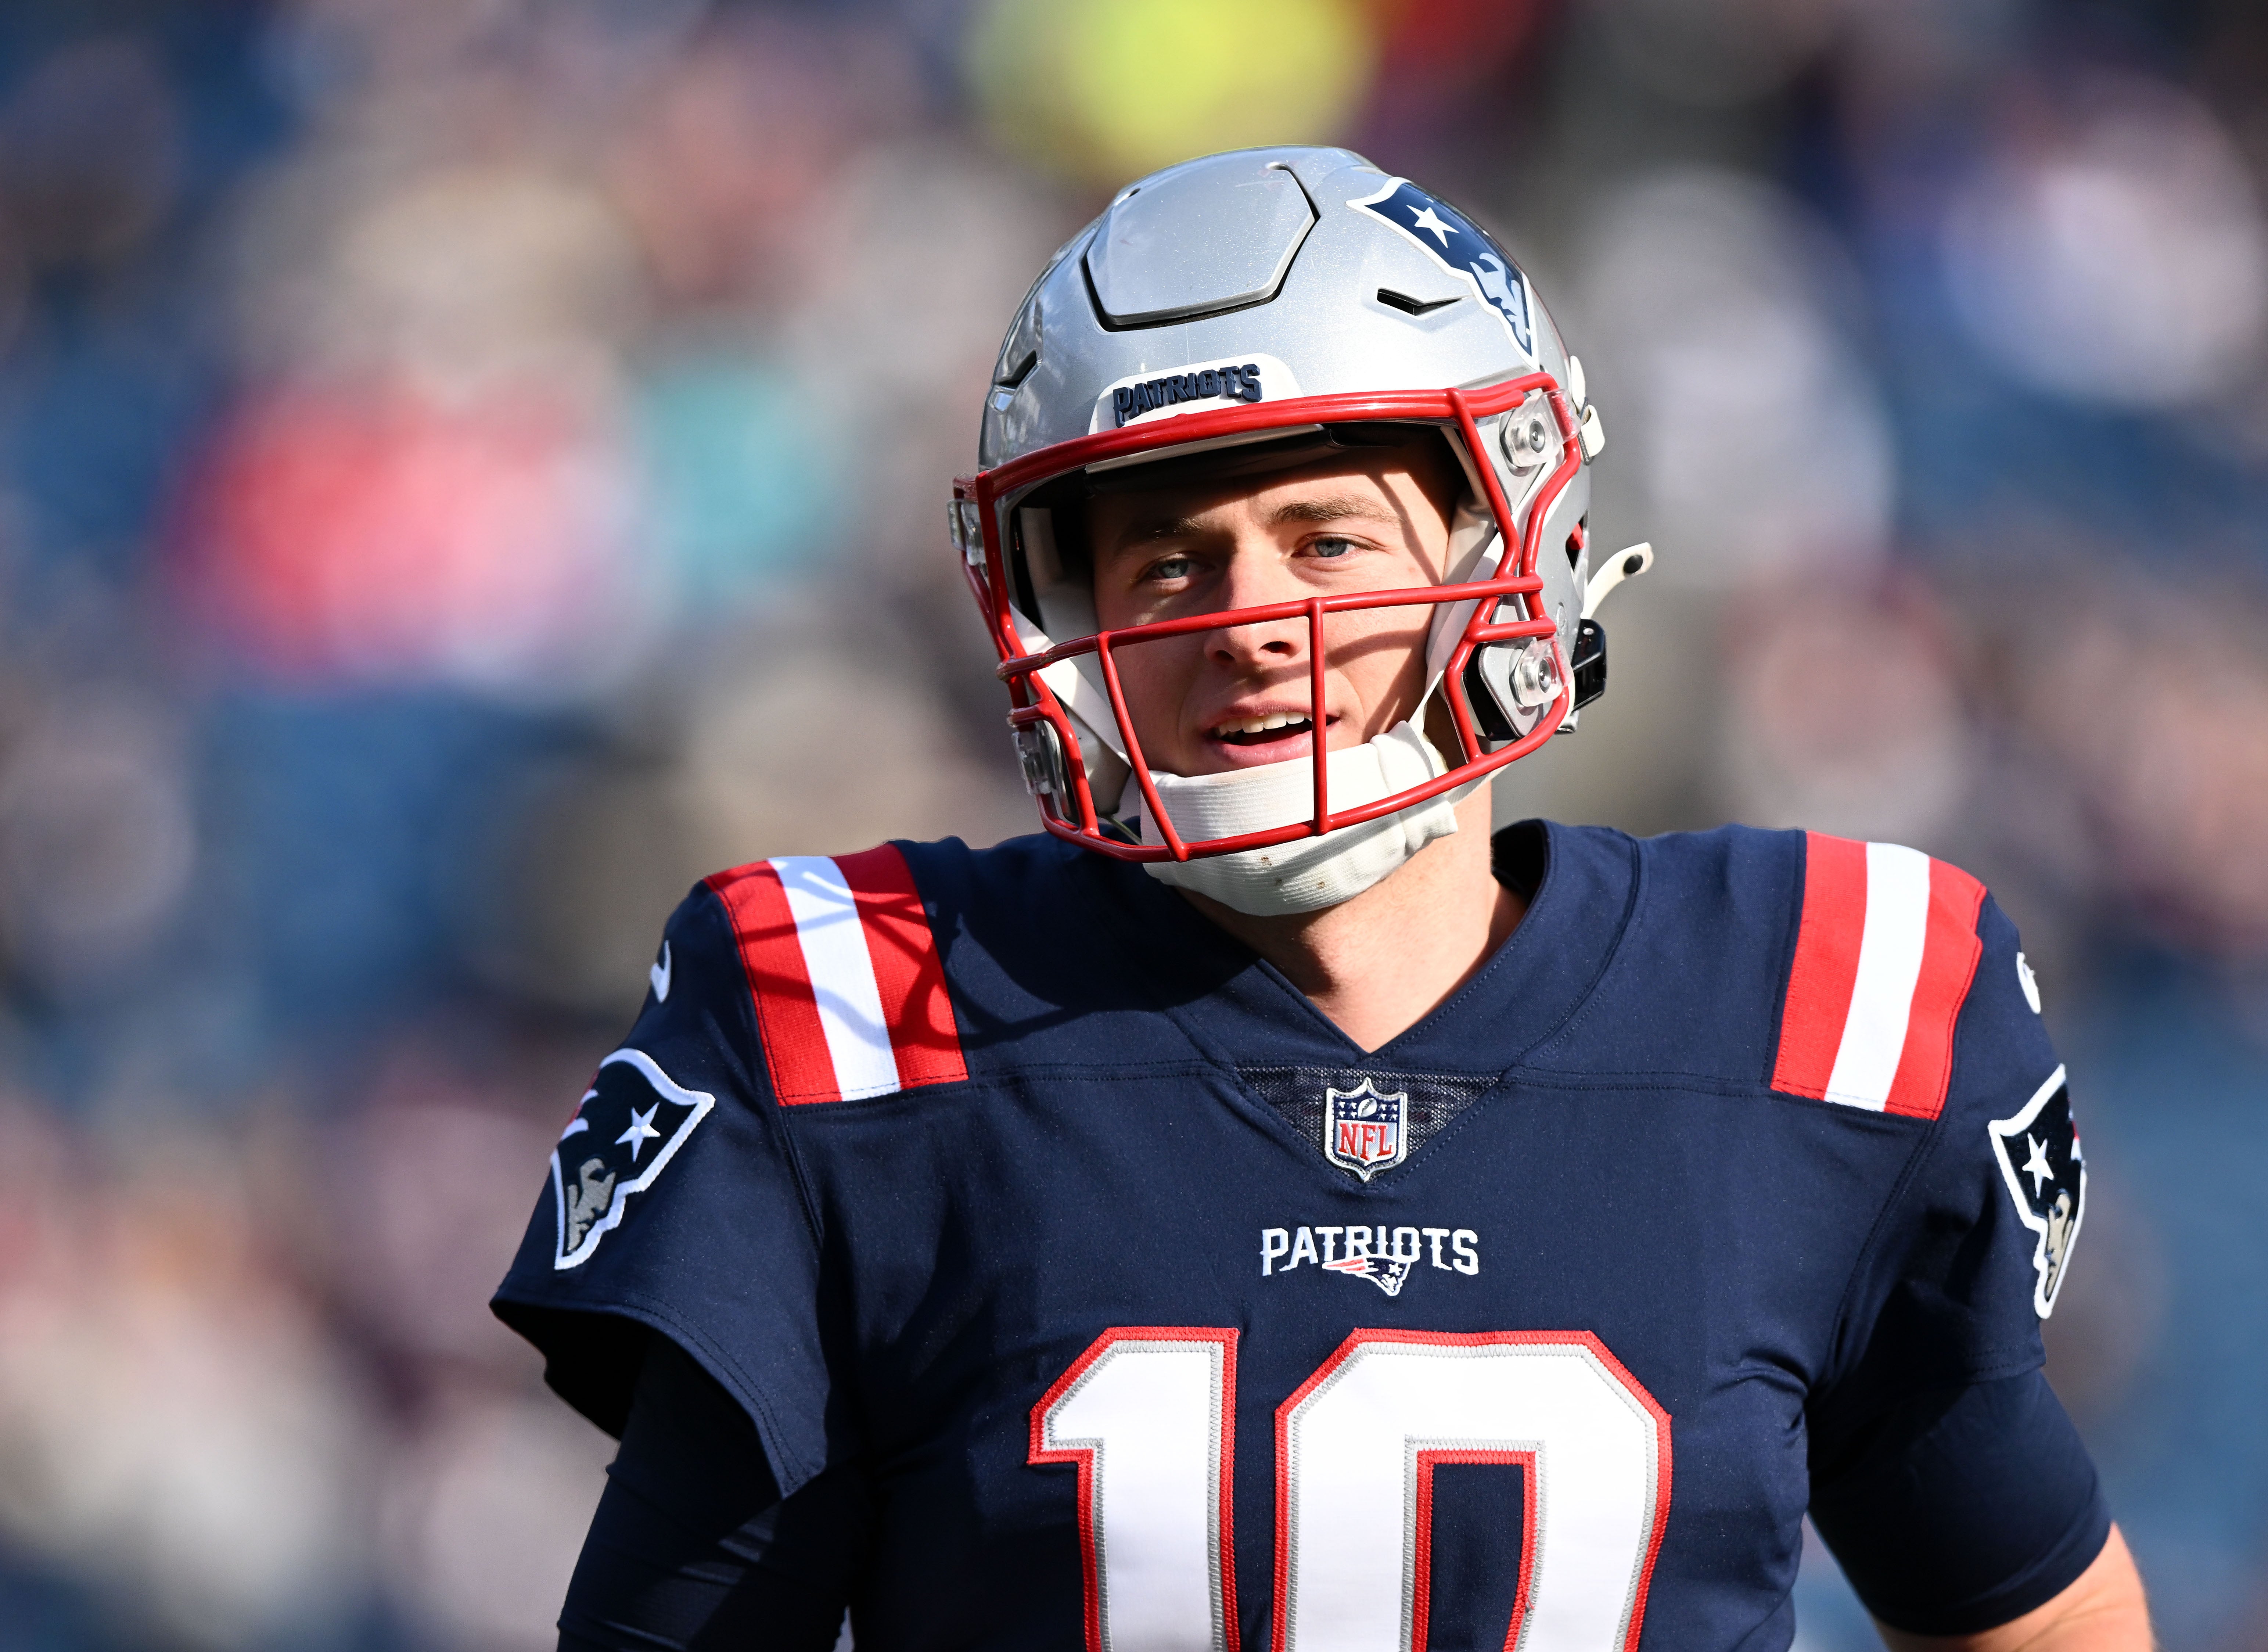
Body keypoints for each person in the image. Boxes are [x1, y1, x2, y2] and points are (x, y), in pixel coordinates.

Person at [495, 146, 2152, 1652]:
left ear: (1509, 539)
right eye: (1168, 559)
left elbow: (2035, 1612)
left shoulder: (1817, 1013)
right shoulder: (869, 1018)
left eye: (1328, 539)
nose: (1245, 621)